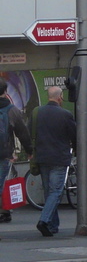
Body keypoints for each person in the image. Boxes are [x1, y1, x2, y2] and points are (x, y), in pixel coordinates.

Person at [34, 85, 76, 236]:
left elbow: (30, 131)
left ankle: (52, 226)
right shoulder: (65, 114)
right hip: (59, 157)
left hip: (42, 157)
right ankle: (44, 221)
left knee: (49, 192)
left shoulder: (38, 113)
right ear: (60, 97)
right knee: (56, 192)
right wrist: (76, 150)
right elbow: (74, 135)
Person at [0, 77, 34, 224]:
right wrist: (29, 151)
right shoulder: (11, 110)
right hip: (4, 154)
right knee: (2, 183)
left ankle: (4, 212)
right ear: (5, 91)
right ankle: (3, 212)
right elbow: (22, 133)